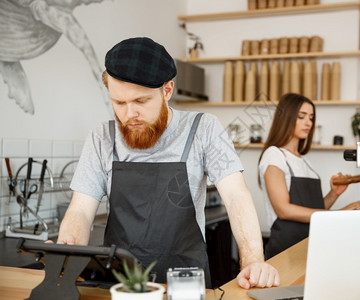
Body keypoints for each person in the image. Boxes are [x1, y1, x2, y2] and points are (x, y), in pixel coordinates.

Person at [57, 37, 279, 289]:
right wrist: (68, 249)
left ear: (167, 90)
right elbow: (81, 210)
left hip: (185, 282)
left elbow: (236, 195)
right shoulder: (102, 137)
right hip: (120, 285)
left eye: (141, 101)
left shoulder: (203, 129)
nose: (129, 115)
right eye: (119, 103)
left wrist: (252, 261)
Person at [258, 93, 360, 259]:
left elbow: (314, 208)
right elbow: (283, 210)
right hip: (286, 252)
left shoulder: (304, 161)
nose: (308, 122)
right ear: (286, 118)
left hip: (310, 245)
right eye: (301, 117)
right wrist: (338, 214)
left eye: (311, 117)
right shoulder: (274, 155)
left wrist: (333, 194)